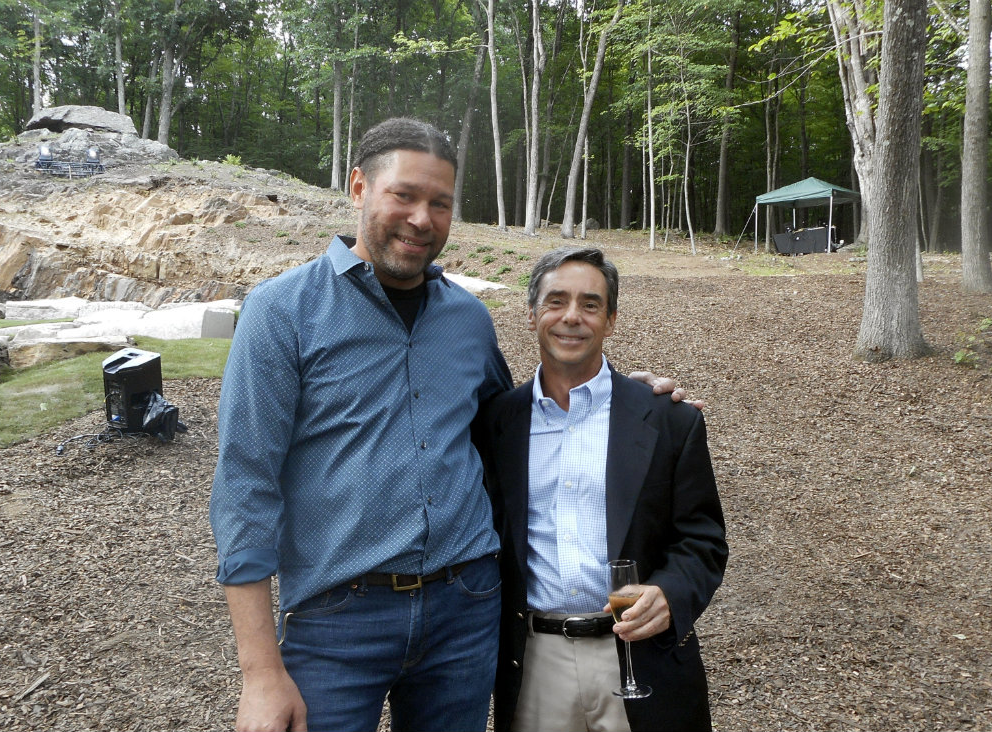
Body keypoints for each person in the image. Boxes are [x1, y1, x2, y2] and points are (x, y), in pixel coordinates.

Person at [209, 118, 686, 732]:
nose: (421, 218)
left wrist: (621, 397)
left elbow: (514, 426)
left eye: (440, 203)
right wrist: (259, 673)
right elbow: (245, 488)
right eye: (404, 195)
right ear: (358, 187)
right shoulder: (281, 312)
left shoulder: (467, 319)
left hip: (466, 610)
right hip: (336, 620)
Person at [476, 246, 728, 732]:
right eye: (556, 301)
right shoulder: (495, 424)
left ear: (610, 320)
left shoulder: (668, 420)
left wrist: (669, 593)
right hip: (535, 664)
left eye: (590, 304)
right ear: (531, 315)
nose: (572, 317)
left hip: (641, 659)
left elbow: (703, 540)